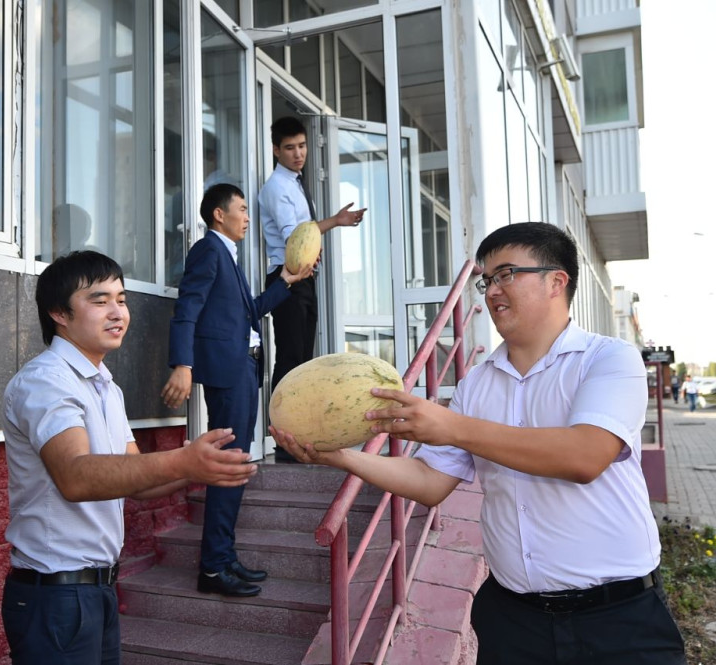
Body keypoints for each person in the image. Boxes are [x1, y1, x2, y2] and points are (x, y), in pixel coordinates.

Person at [272, 222, 686, 664]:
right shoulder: (476, 384)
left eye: (507, 274)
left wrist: (452, 427)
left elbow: (584, 456)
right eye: (486, 281)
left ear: (556, 281)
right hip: (514, 621)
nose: (492, 292)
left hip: (618, 619)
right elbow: (430, 481)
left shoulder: (609, 359)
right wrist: (339, 456)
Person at [1, 250, 258, 664]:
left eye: (121, 299)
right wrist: (183, 461)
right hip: (55, 595)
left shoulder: (106, 386)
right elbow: (76, 476)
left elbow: (139, 483)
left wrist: (206, 467)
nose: (117, 312)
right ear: (58, 313)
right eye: (99, 300)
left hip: (96, 589)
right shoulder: (46, 380)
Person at [161, 184, 313, 597]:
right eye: (242, 209)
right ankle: (213, 568)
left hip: (244, 368)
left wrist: (287, 280)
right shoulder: (208, 250)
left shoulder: (229, 255)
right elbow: (187, 307)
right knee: (228, 466)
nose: (247, 217)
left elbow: (251, 312)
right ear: (219, 214)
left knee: (237, 464)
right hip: (228, 372)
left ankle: (224, 557)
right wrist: (183, 364)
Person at [258, 116, 367, 461]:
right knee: (290, 359)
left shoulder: (295, 182)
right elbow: (295, 236)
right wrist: (335, 221)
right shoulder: (276, 187)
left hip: (303, 279)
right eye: (290, 147)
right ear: (275, 150)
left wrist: (335, 222)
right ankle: (281, 441)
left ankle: (297, 436)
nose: (298, 153)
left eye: (302, 146)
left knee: (302, 359)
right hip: (287, 279)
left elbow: (304, 234)